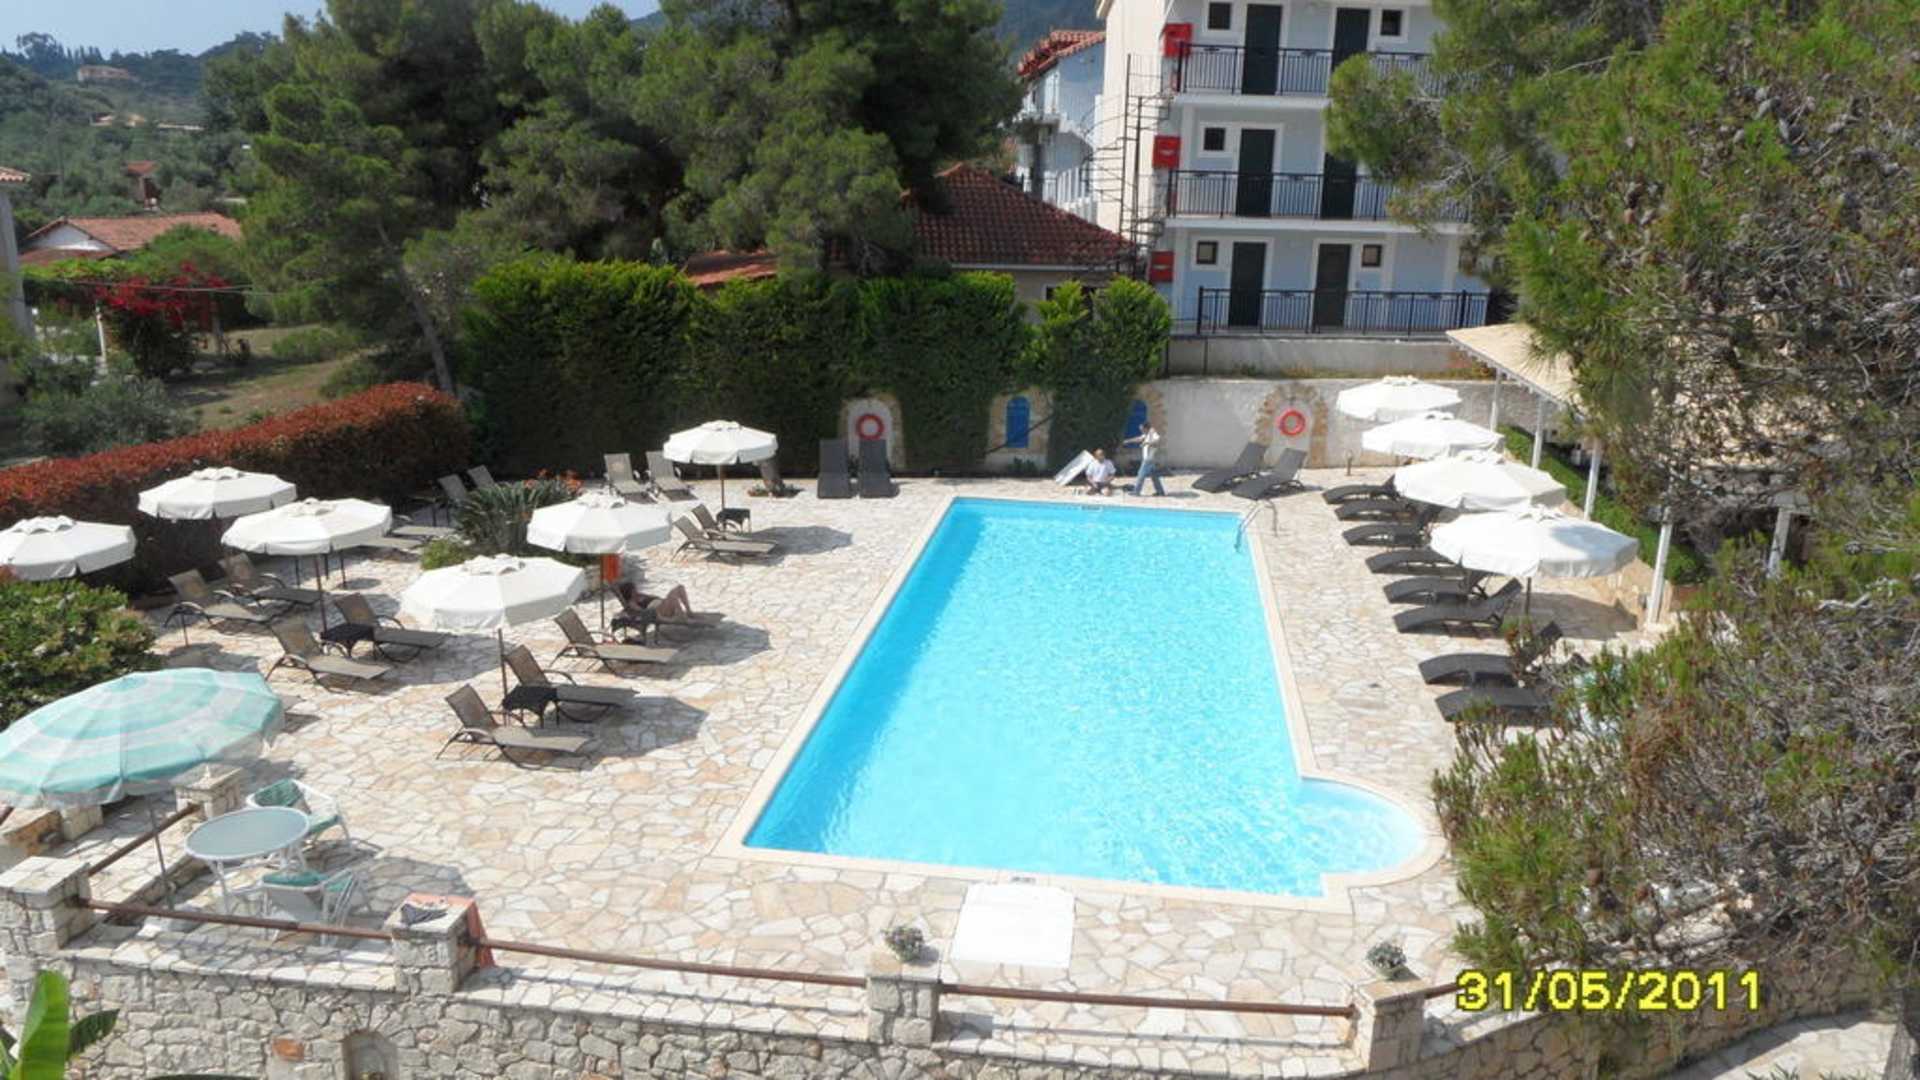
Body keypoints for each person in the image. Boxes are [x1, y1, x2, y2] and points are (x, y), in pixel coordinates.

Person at [612, 580, 697, 642]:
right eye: (633, 590)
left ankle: (689, 611)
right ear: (629, 592)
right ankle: (683, 618)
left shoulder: (639, 595)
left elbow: (653, 598)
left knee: (680, 587)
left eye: (635, 589)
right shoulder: (631, 603)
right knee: (673, 595)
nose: (636, 590)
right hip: (659, 610)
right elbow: (643, 612)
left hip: (662, 605)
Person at [1123, 421, 1165, 496]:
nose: (1141, 430)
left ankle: (1136, 491)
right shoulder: (1146, 434)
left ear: (1146, 428)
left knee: (1141, 474)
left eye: (1142, 429)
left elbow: (1158, 440)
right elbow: (1139, 439)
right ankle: (1160, 492)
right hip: (1149, 459)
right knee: (1154, 476)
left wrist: (1147, 443)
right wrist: (1128, 441)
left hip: (1149, 459)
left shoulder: (1152, 433)